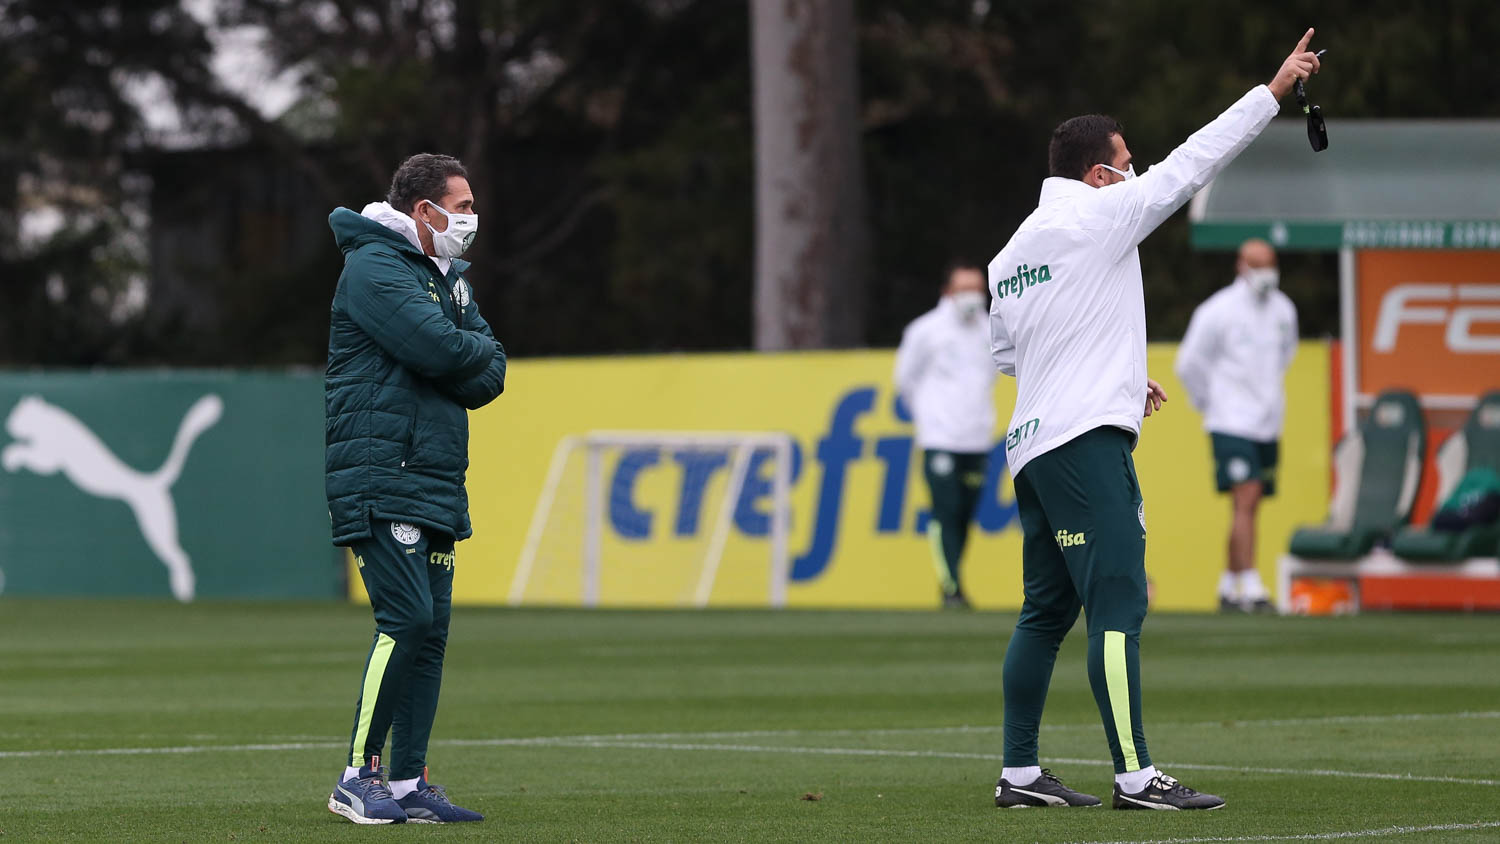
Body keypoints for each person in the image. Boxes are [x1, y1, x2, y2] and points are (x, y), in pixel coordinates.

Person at [987, 31, 1320, 812]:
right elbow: (1193, 163)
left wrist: (1115, 375)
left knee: (1045, 612)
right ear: (1097, 173)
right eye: (1126, 161)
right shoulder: (1102, 216)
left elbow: (1007, 354)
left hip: (1033, 448)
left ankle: (1020, 773)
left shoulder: (1009, 256)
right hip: (1082, 443)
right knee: (1117, 602)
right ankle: (1135, 777)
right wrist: (1272, 93)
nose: (1135, 170)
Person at [323, 153, 507, 824]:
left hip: (435, 477)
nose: (471, 219)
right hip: (383, 471)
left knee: (430, 634)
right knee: (406, 620)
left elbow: (490, 374)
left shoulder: (448, 278)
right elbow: (445, 351)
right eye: (462, 208)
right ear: (423, 210)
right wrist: (463, 349)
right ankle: (356, 777)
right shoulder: (374, 267)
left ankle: (406, 782)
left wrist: (464, 350)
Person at [1175, 239, 1298, 613]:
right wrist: (1209, 402)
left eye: (1270, 264)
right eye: (1258, 265)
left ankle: (1229, 584)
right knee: (1247, 496)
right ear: (1241, 266)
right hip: (1230, 420)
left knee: (1249, 503)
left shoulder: (1283, 309)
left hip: (1268, 422)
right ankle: (1251, 584)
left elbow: (1286, 354)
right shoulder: (1218, 310)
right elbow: (1188, 363)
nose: (1266, 273)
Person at [893, 262, 998, 609]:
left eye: (977, 289)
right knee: (946, 509)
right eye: (964, 289)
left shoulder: (990, 330)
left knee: (965, 513)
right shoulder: (925, 331)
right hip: (939, 437)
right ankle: (951, 586)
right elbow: (905, 380)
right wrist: (929, 418)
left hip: (976, 437)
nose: (972, 296)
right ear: (947, 292)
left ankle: (952, 579)